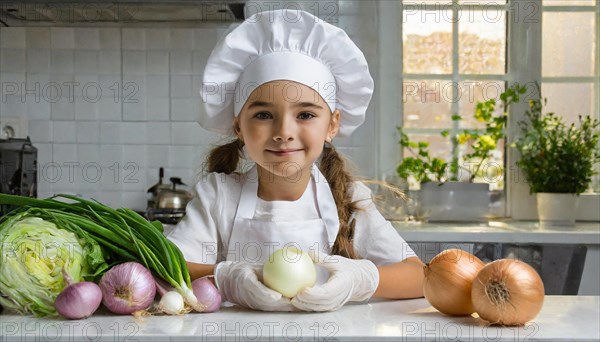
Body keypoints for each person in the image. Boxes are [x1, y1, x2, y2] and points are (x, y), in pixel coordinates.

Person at [167, 8, 424, 312]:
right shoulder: (218, 196)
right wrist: (227, 278)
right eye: (263, 115)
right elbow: (169, 269)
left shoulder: (351, 199)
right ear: (239, 125)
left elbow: (420, 276)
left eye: (305, 115)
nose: (284, 132)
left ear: (332, 124)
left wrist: (359, 280)